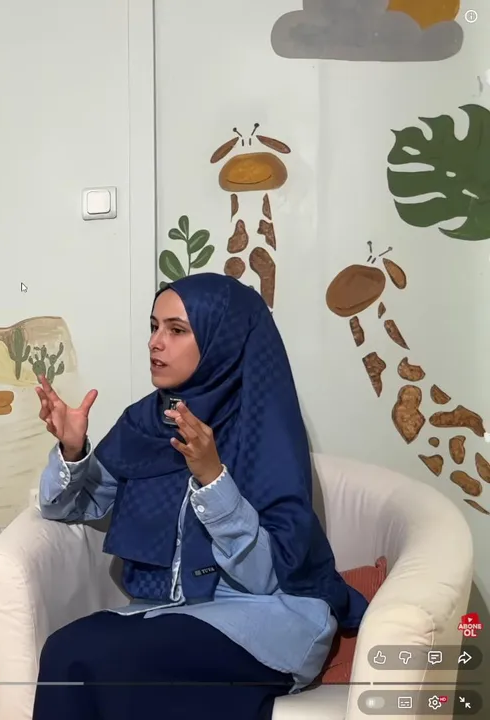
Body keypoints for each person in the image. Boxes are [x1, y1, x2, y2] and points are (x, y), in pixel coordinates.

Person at [31, 273, 367, 720]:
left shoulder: (264, 426)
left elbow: (266, 578)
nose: (155, 343)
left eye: (177, 330)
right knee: (64, 649)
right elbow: (71, 506)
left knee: (113, 662)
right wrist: (72, 450)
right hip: (169, 613)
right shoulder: (145, 423)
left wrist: (212, 477)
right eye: (154, 326)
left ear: (221, 340)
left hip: (265, 616)